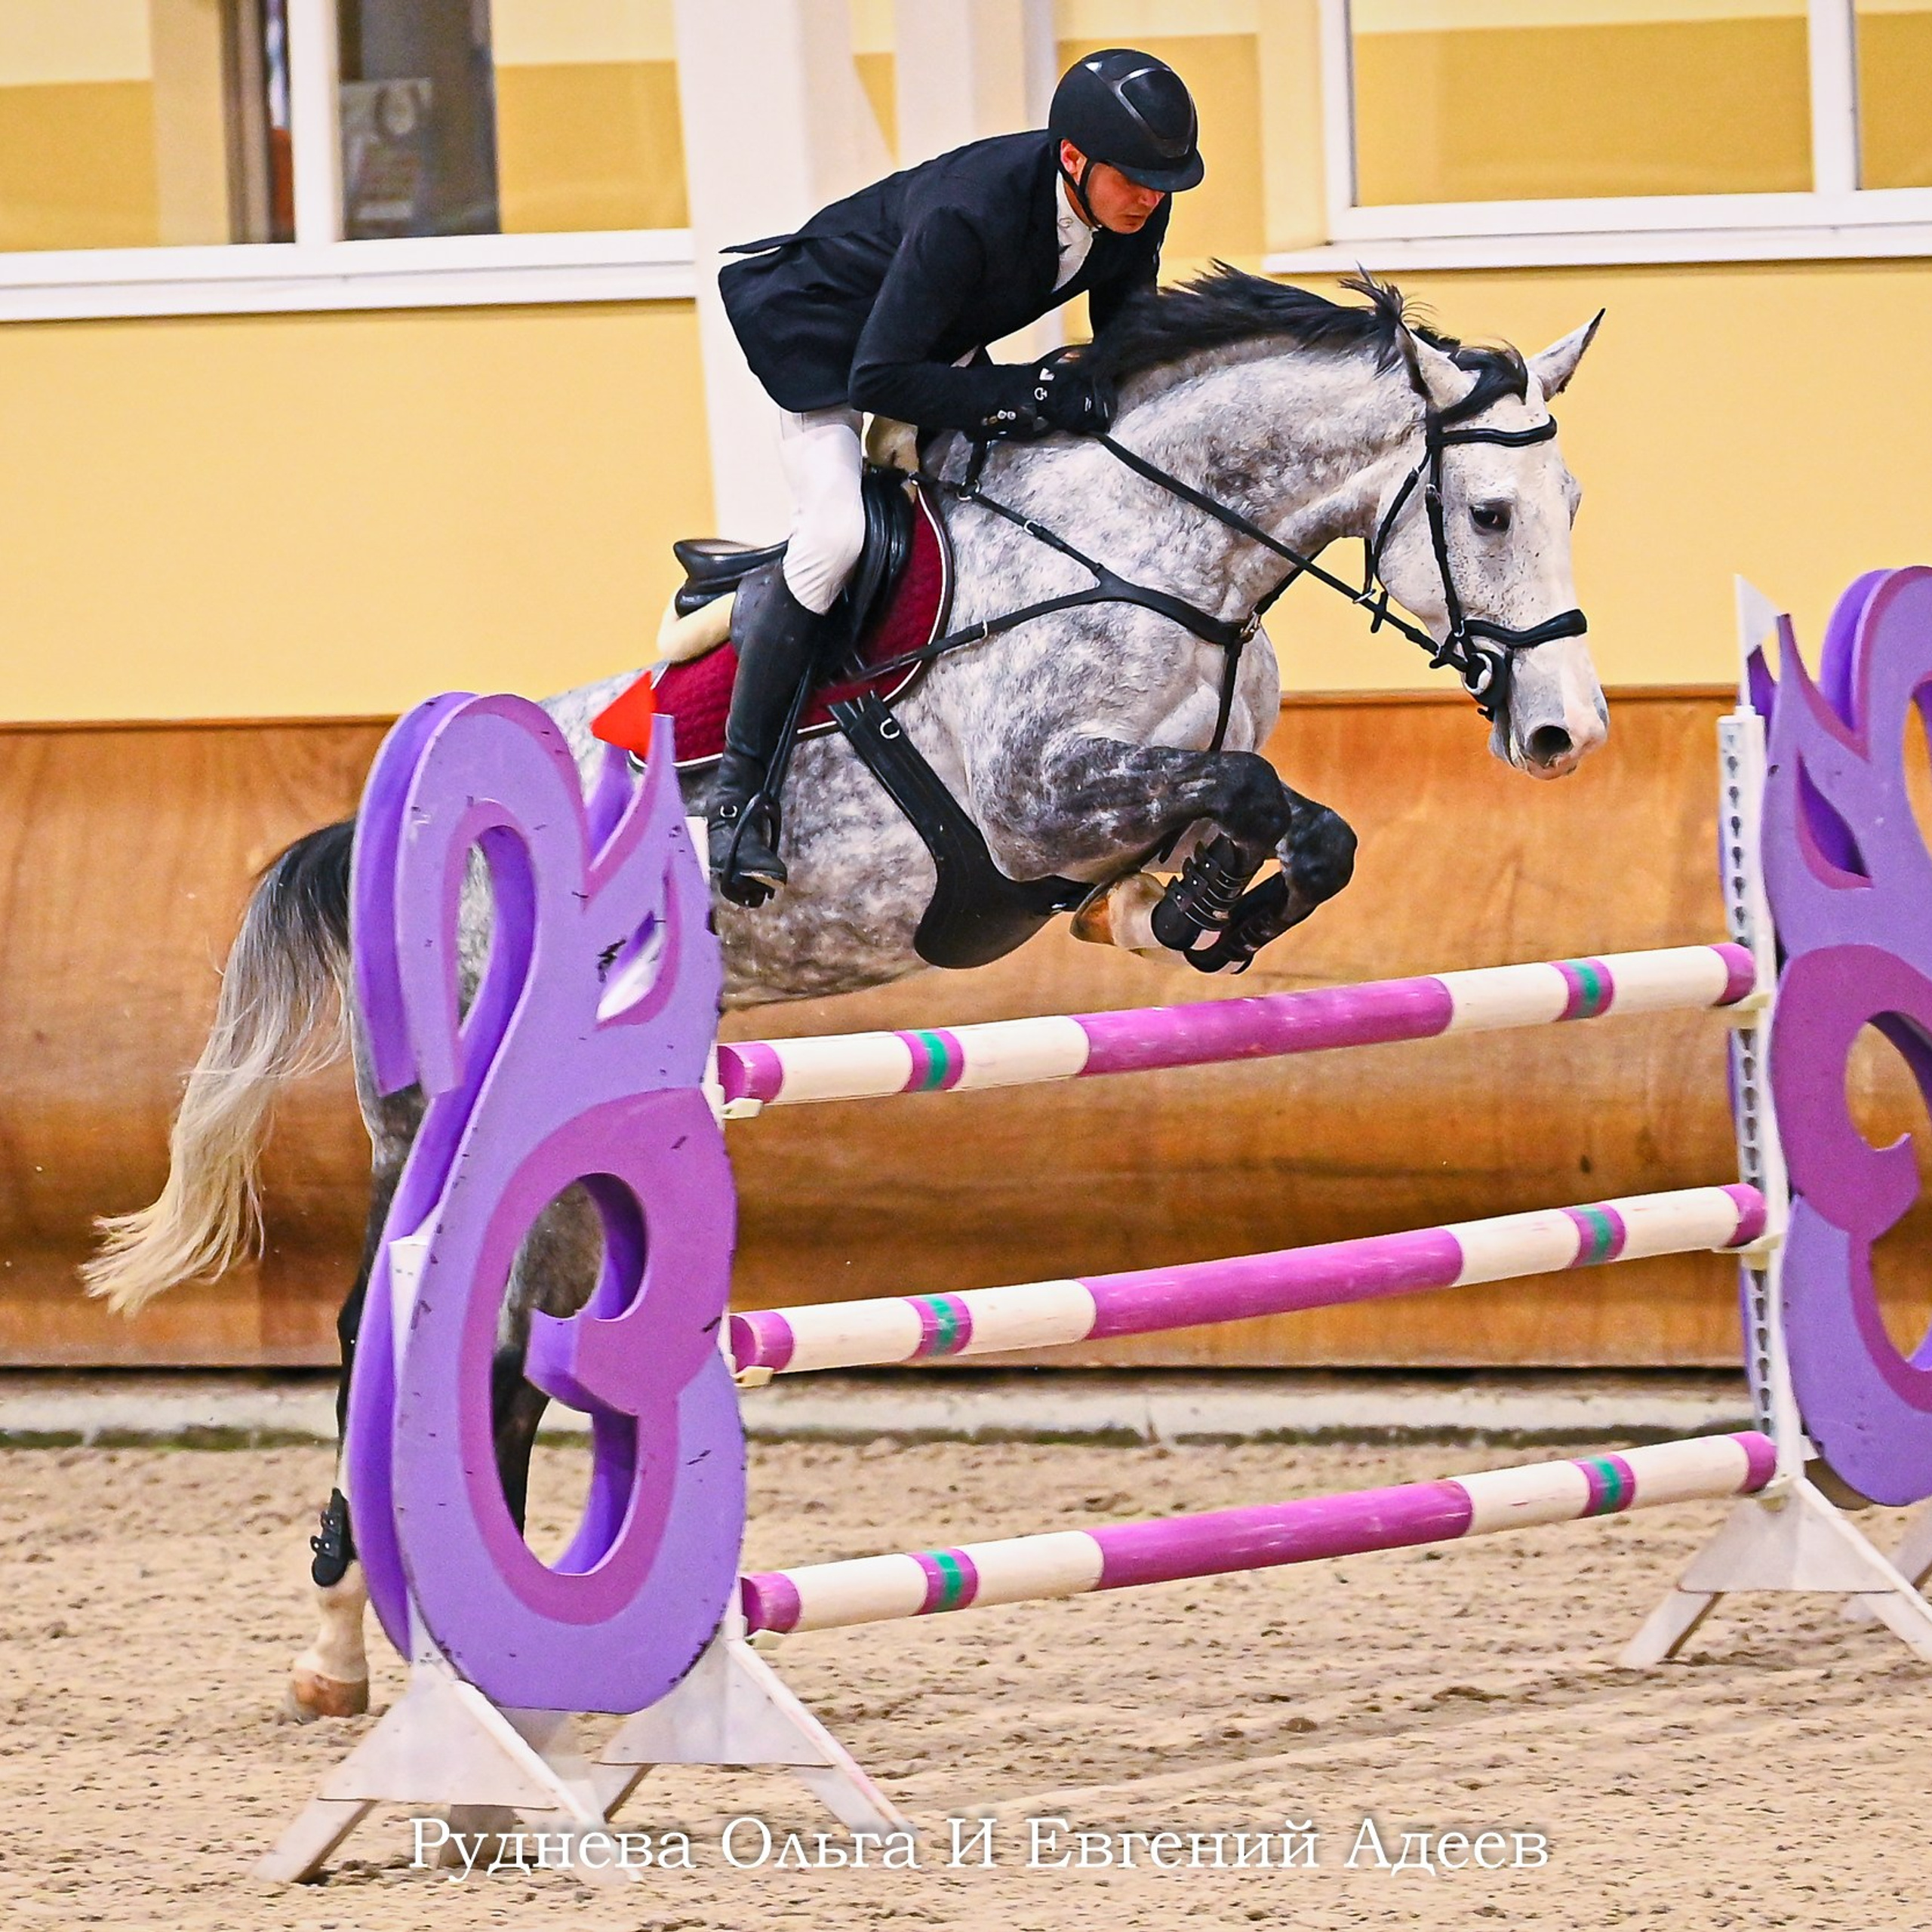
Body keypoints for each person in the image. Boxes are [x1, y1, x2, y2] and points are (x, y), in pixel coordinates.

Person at [707, 47, 1204, 904]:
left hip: (931, 340)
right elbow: (877, 379)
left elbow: (1125, 333)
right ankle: (740, 799)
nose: (1153, 198)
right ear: (1074, 159)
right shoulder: (966, 215)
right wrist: (1026, 388)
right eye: (1138, 179)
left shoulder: (1131, 207)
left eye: (1166, 182)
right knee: (837, 535)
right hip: (828, 346)